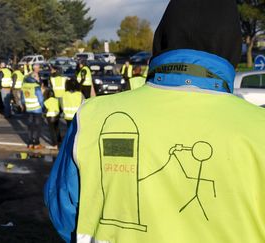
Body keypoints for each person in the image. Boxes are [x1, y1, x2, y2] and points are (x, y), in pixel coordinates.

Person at [44, 0, 265, 242]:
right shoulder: (259, 128)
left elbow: (64, 212)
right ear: (231, 46)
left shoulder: (93, 118)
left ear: (162, 38)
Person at [21, 64, 44, 149]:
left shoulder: (24, 86)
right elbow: (40, 99)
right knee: (37, 126)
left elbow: (22, 99)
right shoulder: (36, 87)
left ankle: (30, 143)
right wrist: (42, 107)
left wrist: (25, 105)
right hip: (37, 109)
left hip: (29, 108)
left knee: (30, 126)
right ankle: (36, 143)